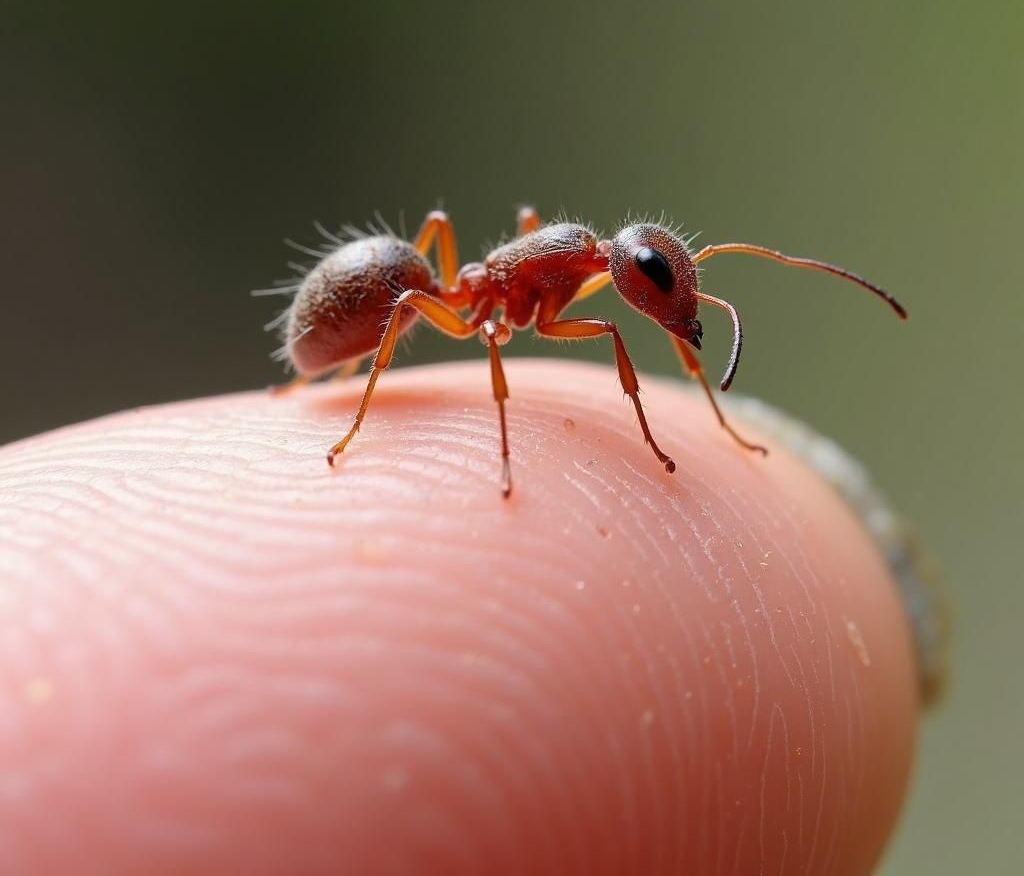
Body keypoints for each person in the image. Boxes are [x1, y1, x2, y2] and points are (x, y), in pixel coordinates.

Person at [0, 361, 922, 875]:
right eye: (661, 288)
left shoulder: (583, 286)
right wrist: (502, 454)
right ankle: (352, 409)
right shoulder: (546, 294)